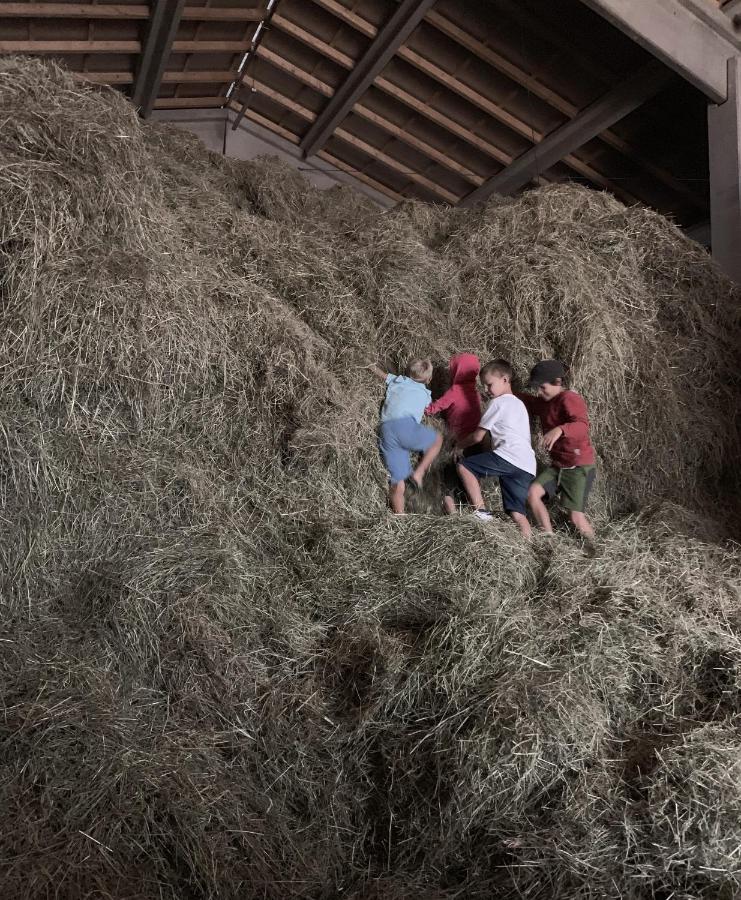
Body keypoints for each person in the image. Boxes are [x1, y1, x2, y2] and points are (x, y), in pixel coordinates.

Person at [455, 359, 536, 537]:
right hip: (527, 465)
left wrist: (458, 446)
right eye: (483, 386)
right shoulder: (519, 404)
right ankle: (528, 547)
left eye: (489, 384)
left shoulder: (498, 403)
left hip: (509, 456)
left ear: (505, 379)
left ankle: (481, 512)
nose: (486, 390)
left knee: (464, 466)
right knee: (517, 512)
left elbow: (478, 436)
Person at [518, 359, 596, 539]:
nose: (539, 392)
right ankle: (549, 538)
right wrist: (505, 392)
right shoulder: (544, 401)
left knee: (575, 517)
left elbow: (582, 425)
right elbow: (529, 401)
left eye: (542, 387)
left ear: (558, 383)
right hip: (558, 466)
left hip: (578, 467)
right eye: (536, 388)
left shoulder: (568, 398)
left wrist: (560, 429)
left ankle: (596, 551)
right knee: (533, 493)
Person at [370, 359, 443, 514]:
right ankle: (420, 472)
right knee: (437, 440)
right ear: (428, 380)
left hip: (386, 429)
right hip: (405, 427)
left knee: (398, 480)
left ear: (407, 372)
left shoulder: (398, 380)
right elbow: (429, 410)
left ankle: (399, 516)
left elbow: (381, 374)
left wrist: (368, 365)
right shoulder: (425, 393)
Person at [424, 353, 483, 515]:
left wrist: (427, 409)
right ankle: (478, 510)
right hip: (475, 443)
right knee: (470, 479)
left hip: (458, 442)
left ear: (458, 372)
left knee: (448, 477)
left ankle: (453, 514)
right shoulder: (475, 393)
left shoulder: (455, 390)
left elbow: (439, 405)